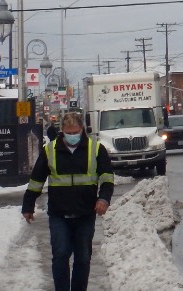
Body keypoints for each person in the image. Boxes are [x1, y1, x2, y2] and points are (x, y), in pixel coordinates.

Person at [22, 111, 114, 291]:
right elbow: (36, 180)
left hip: (85, 213)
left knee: (83, 257)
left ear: (82, 130)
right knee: (60, 255)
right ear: (62, 131)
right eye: (68, 132)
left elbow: (107, 178)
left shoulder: (96, 149)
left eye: (75, 132)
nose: (72, 136)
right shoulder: (50, 150)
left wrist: (104, 199)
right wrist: (28, 205)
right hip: (59, 214)